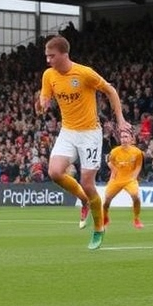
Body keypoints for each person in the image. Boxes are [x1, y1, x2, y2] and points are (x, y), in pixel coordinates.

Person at [35, 35, 131, 250]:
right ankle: (84, 200)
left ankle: (99, 228)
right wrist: (41, 105)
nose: (48, 60)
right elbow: (43, 101)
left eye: (52, 56)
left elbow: (111, 90)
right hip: (68, 131)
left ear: (64, 54)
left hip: (89, 134)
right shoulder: (48, 75)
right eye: (47, 56)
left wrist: (121, 119)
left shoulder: (84, 73)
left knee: (88, 183)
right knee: (55, 172)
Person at [103, 130, 145, 229]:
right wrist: (113, 172)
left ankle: (136, 219)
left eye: (126, 137)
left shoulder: (137, 152)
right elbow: (110, 162)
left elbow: (138, 166)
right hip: (116, 179)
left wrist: (134, 176)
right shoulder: (115, 151)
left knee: (135, 196)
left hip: (129, 179)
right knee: (106, 201)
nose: (123, 139)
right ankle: (105, 217)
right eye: (122, 137)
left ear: (131, 139)